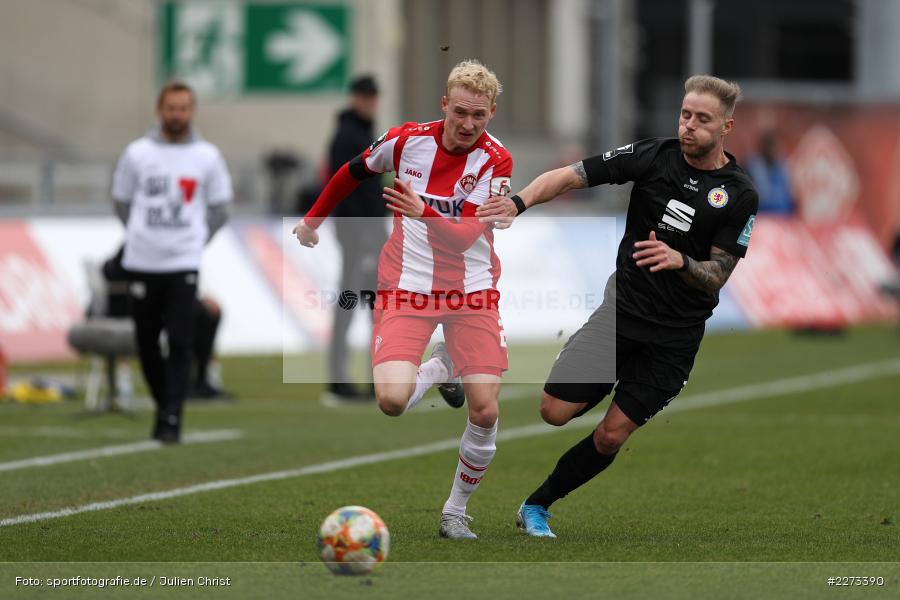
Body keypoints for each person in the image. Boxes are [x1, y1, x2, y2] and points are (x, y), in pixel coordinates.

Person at [477, 74, 758, 538]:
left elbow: (719, 274)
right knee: (553, 411)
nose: (689, 126)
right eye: (685, 114)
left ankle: (537, 505)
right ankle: (601, 375)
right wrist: (519, 201)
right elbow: (572, 175)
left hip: (674, 337)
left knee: (611, 435)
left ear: (726, 126)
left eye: (702, 119)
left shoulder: (739, 193)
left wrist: (681, 260)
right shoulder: (655, 155)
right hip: (622, 313)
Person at [293, 60, 514, 539]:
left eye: (479, 115)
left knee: (485, 409)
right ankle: (439, 369)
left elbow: (464, 236)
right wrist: (313, 221)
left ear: (491, 113)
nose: (469, 124)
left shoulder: (497, 162)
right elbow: (350, 172)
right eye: (461, 112)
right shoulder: (406, 139)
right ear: (445, 105)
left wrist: (424, 209)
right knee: (391, 400)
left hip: (471, 290)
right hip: (407, 286)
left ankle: (454, 512)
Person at [112, 81, 232, 443]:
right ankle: (165, 402)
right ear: (159, 111)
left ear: (191, 111)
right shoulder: (137, 153)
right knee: (147, 342)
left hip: (183, 262)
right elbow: (122, 202)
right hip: (143, 261)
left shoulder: (207, 156)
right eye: (171, 108)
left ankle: (171, 417)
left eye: (183, 108)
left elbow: (220, 209)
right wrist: (143, 234)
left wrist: (194, 240)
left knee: (180, 341)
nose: (176, 114)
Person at [323, 75, 388, 405]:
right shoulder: (348, 135)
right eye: (365, 96)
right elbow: (342, 187)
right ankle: (338, 380)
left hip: (368, 231)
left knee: (369, 304)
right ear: (355, 97)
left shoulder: (362, 133)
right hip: (358, 233)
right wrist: (362, 234)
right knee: (353, 302)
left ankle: (372, 378)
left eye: (373, 96)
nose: (370, 101)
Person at [746, 130, 794, 214]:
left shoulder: (783, 167)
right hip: (762, 218)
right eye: (774, 147)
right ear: (764, 148)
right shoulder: (752, 168)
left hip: (784, 218)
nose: (778, 150)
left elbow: (788, 198)